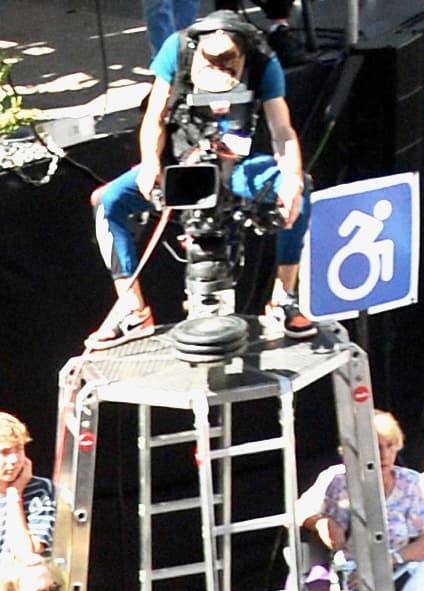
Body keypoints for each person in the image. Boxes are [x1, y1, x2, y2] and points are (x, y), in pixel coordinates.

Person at [90, 10, 309, 350]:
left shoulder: (264, 60)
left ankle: (284, 299)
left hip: (238, 166)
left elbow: (282, 131)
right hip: (178, 163)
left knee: (300, 189)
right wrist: (150, 164)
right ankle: (131, 310)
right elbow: (155, 119)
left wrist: (291, 178)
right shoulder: (174, 51)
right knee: (109, 202)